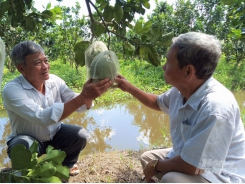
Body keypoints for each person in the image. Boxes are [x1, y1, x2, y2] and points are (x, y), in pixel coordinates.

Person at [115, 32, 245, 183]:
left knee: (171, 179)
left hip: (219, 174)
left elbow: (193, 166)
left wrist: (157, 165)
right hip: (191, 159)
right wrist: (129, 87)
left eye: (168, 62)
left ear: (188, 71)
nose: (164, 67)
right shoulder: (180, 90)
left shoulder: (216, 107)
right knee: (147, 158)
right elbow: (157, 102)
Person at [2, 41, 112, 175]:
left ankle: (66, 165)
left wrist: (90, 94)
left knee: (79, 135)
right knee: (21, 146)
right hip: (29, 139)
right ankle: (26, 173)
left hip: (55, 135)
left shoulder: (55, 81)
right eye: (38, 63)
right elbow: (42, 117)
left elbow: (78, 104)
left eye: (46, 61)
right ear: (21, 69)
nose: (45, 66)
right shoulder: (12, 89)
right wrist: (83, 96)